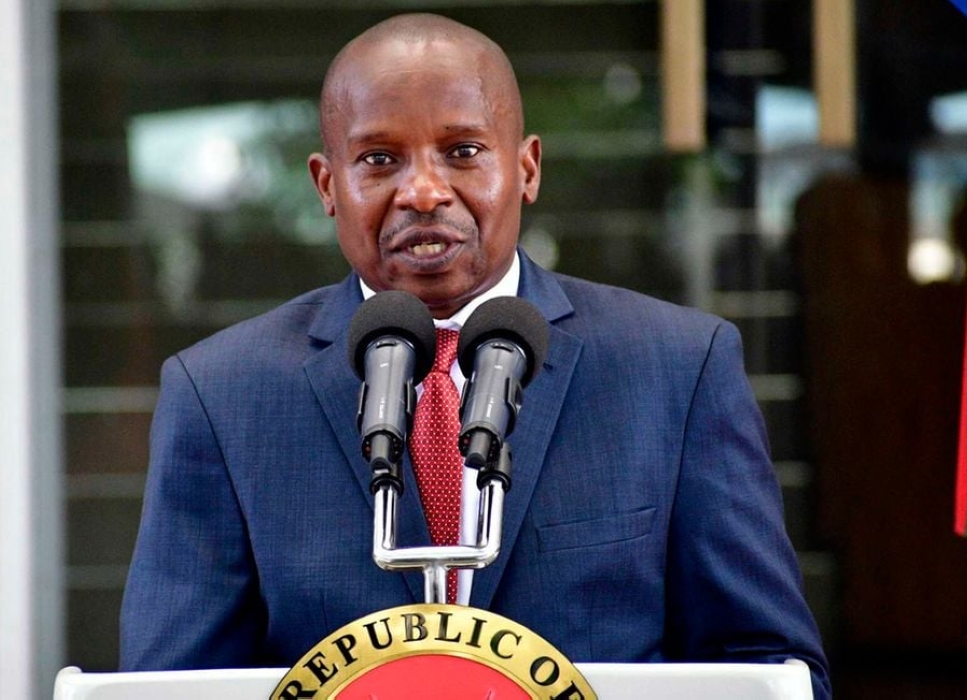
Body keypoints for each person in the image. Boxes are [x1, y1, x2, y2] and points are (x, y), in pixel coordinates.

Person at [121, 13, 830, 698]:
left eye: (463, 152)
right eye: (378, 159)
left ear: (526, 168)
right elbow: (170, 688)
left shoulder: (677, 368)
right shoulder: (220, 395)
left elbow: (767, 669)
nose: (425, 191)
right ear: (326, 185)